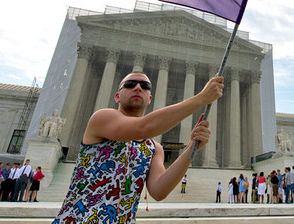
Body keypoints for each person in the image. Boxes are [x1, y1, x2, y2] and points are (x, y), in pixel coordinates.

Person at [53, 71, 223, 223]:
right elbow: (144, 128)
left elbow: (159, 191)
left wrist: (191, 148)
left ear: (150, 99)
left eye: (144, 86)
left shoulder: (153, 148)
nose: (137, 87)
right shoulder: (101, 119)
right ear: (117, 96)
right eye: (129, 84)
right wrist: (202, 98)